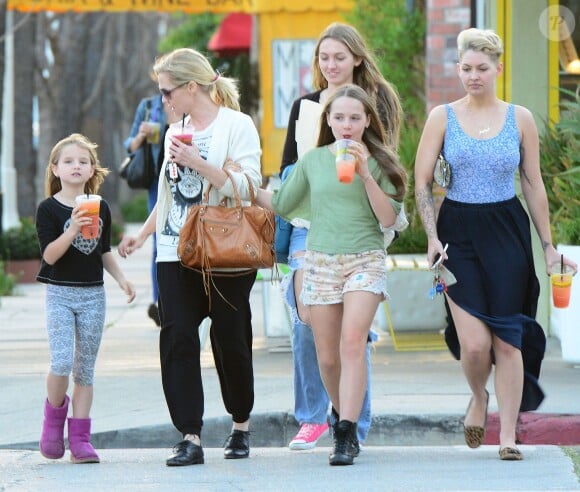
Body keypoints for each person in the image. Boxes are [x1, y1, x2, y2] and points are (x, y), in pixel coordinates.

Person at [414, 28, 578, 461]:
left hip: (507, 229)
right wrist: (431, 236)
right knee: (474, 345)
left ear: (498, 69)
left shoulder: (519, 118)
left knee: (508, 340)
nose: (473, 76)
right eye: (465, 68)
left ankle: (507, 436)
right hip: (456, 232)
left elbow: (533, 183)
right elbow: (422, 182)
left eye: (481, 69)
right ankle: (477, 396)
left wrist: (548, 246)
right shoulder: (442, 117)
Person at [117, 48, 262, 467]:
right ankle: (190, 435)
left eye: (167, 92)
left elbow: (249, 187)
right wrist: (142, 236)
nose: (162, 100)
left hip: (223, 249)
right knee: (177, 336)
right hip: (173, 248)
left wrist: (200, 162)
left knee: (230, 335)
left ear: (191, 87)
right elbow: (167, 193)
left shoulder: (237, 126)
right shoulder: (173, 129)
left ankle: (240, 424)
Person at [257, 84, 407, 465]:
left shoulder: (381, 162)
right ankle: (343, 417)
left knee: (353, 342)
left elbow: (388, 218)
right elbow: (283, 203)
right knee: (327, 357)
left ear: (367, 121)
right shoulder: (312, 160)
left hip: (365, 260)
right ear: (328, 121)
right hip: (321, 260)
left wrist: (366, 175)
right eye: (338, 117)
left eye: (355, 118)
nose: (346, 125)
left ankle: (345, 434)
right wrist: (234, 185)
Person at [36, 133, 136, 464]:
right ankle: (52, 425)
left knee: (84, 371)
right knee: (61, 361)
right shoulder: (48, 209)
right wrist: (72, 228)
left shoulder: (101, 207)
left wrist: (122, 279)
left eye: (83, 161)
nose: (76, 166)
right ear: (55, 168)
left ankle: (80, 440)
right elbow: (49, 256)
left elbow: (103, 251)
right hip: (60, 294)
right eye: (68, 161)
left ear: (93, 168)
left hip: (93, 295)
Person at [124, 91, 176, 326]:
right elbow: (130, 144)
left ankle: (178, 300)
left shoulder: (188, 101)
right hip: (158, 181)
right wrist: (143, 135)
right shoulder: (149, 106)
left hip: (186, 176)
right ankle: (160, 302)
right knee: (159, 240)